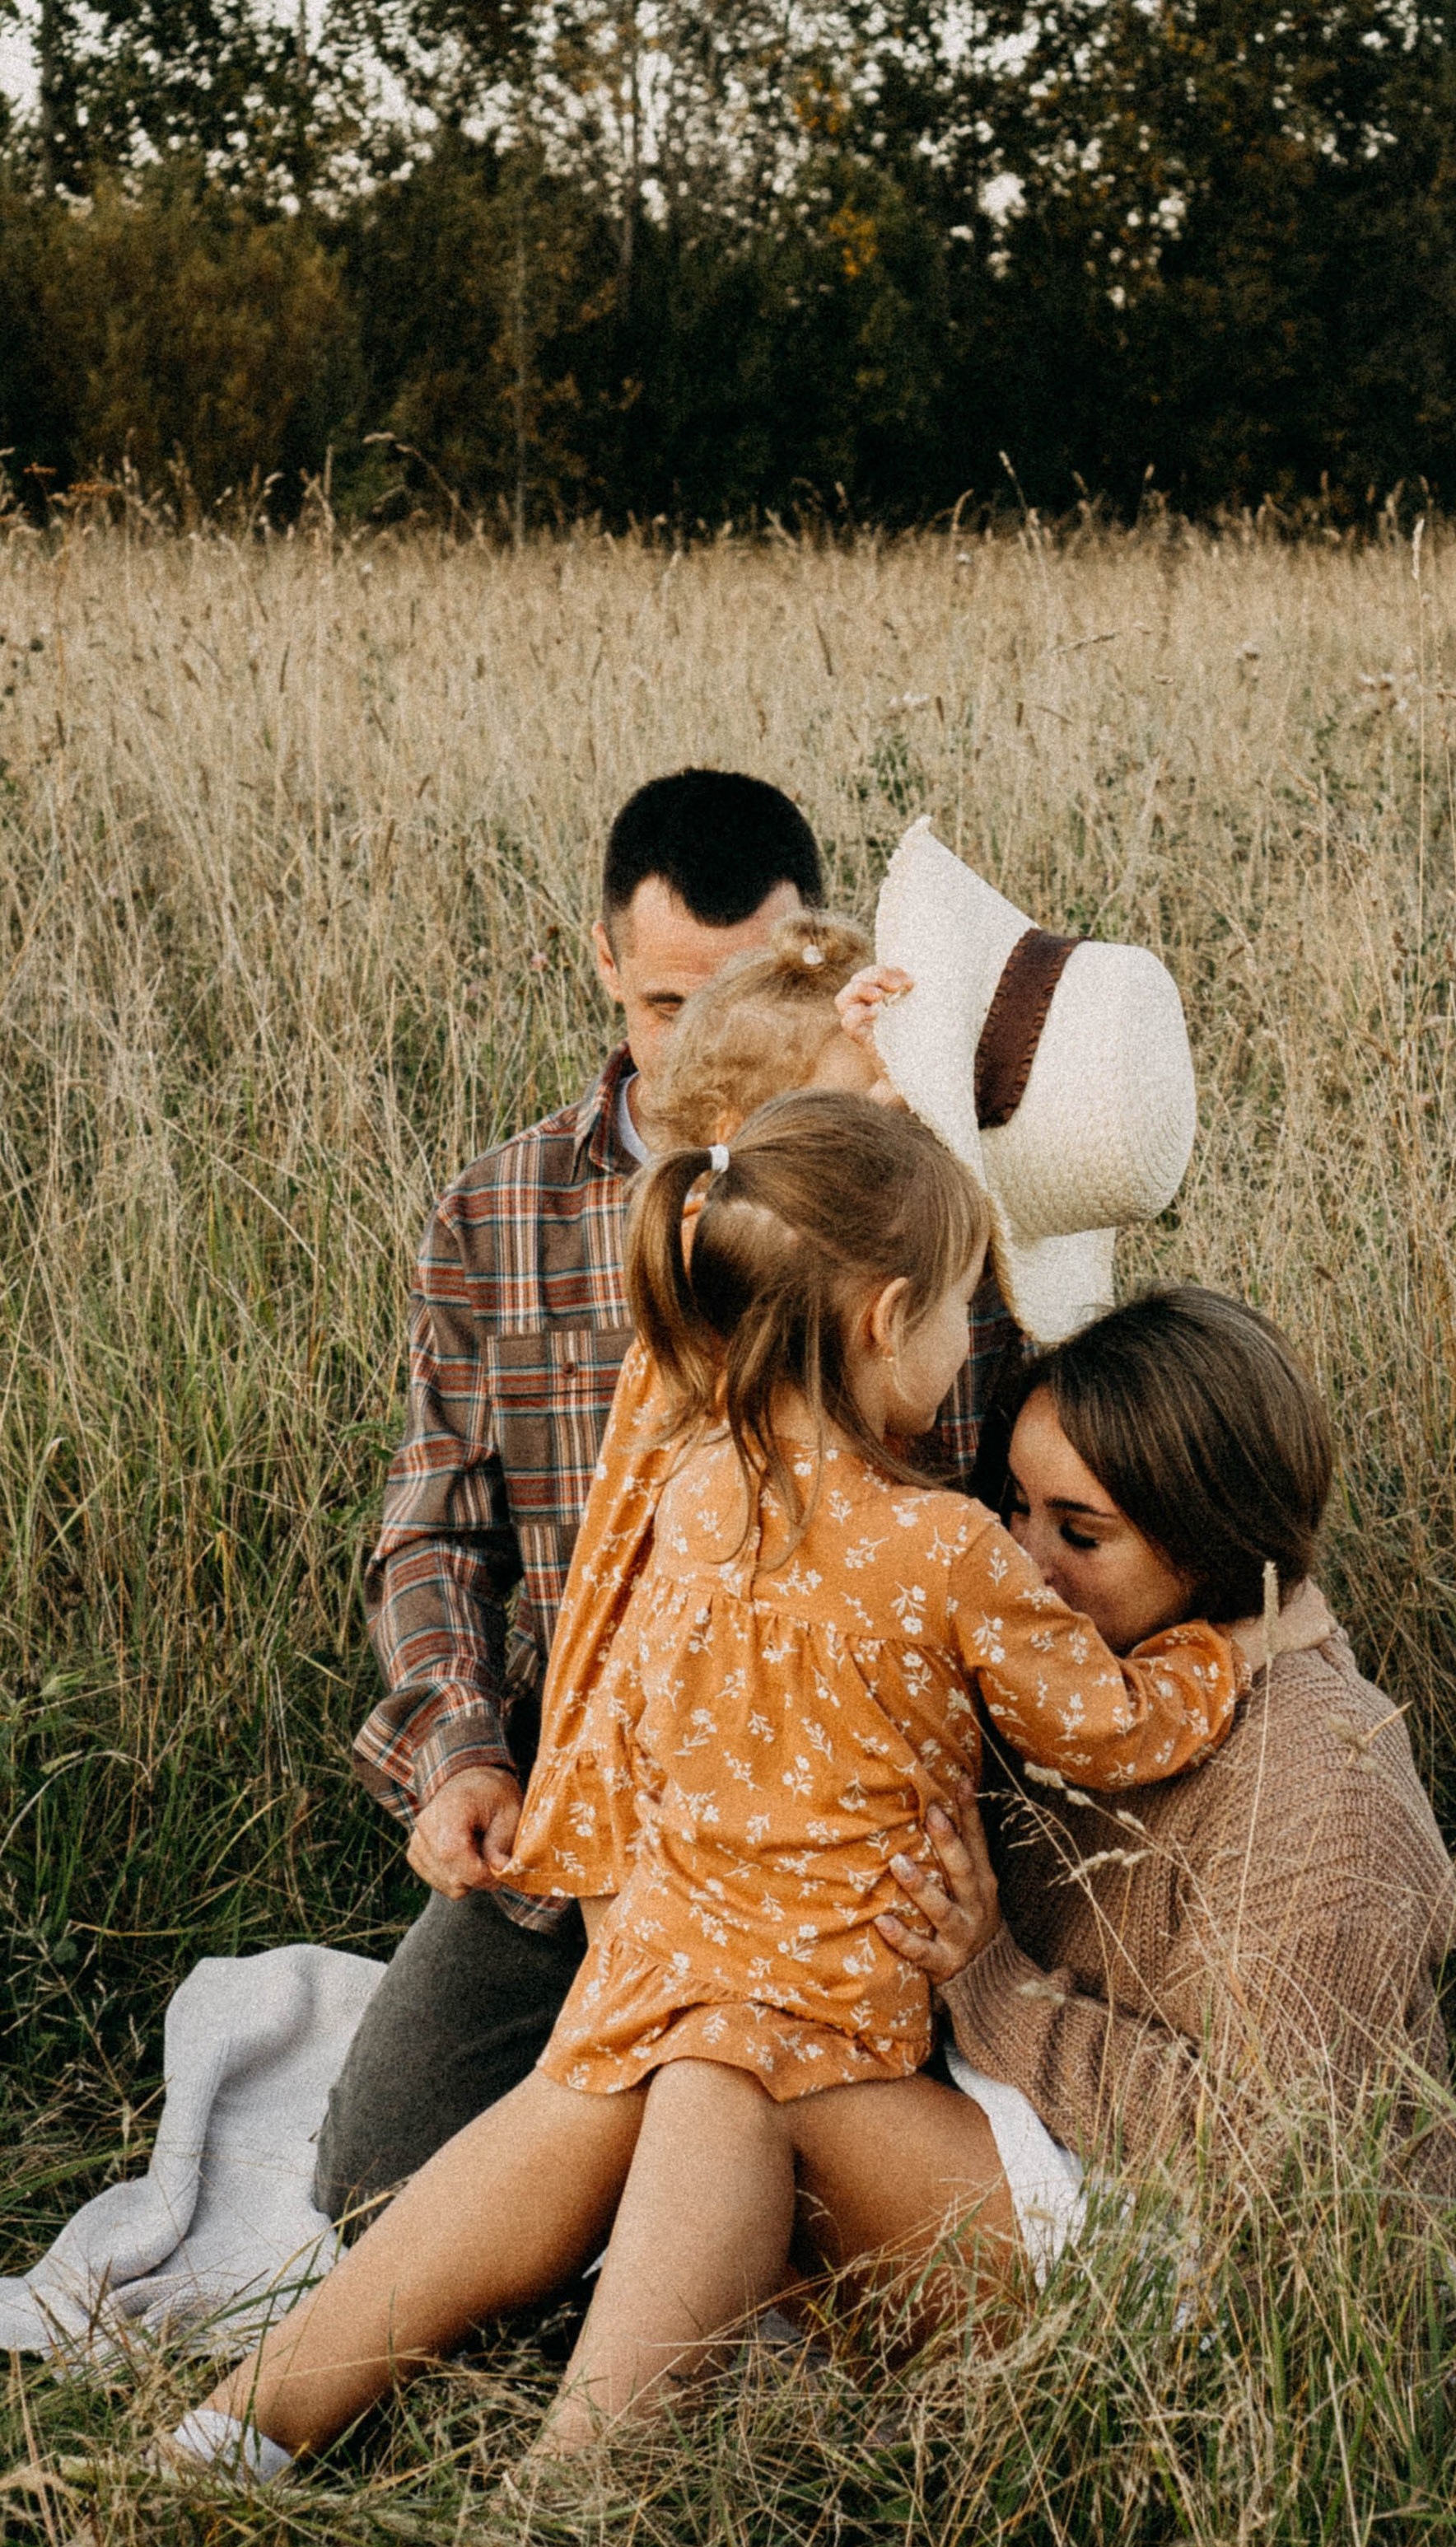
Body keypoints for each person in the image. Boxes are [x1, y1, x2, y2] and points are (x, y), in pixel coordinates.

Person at [170, 1097, 1271, 2476]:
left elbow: (619, 1647)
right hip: (822, 2004)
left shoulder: (687, 1483)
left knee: (581, 2106)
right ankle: (564, 2507)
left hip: (667, 1953)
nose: (966, 1345)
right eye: (957, 1311)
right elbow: (1108, 1730)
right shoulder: (946, 1549)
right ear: (883, 1320)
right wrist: (1221, 1653)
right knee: (712, 2081)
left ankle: (238, 2428)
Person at [315, 787, 1012, 2223]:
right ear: (602, 966)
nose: (707, 1057)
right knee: (376, 2188)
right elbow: (434, 1526)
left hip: (830, 1821)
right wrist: (458, 1756)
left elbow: (990, 1506)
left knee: (827, 2171)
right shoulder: (500, 1210)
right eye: (665, 1007)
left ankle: (679, 2212)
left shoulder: (929, 1219)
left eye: (744, 1009)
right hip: (579, 1799)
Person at [787, 1287, 1456, 2278]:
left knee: (772, 2094)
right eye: (1013, 1509)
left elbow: (1281, 2166)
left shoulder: (1319, 1784)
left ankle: (599, 2411)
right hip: (1029, 2127)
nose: (1020, 1566)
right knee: (715, 2052)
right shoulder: (1078, 1681)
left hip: (1211, 2272)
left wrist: (994, 1979)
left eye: (1081, 1534)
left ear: (1210, 1543)